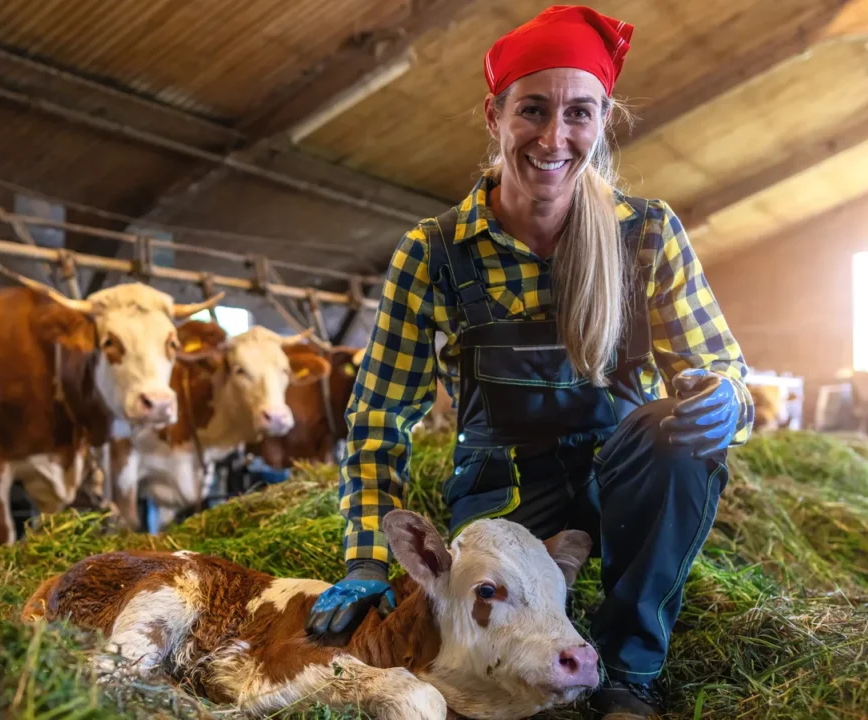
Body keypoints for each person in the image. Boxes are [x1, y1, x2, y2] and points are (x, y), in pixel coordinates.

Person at [304, 5, 755, 719]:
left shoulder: (647, 235)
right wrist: (366, 552)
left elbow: (722, 368)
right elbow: (379, 418)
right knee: (488, 645)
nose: (554, 137)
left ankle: (627, 673)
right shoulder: (437, 251)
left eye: (579, 112)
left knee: (675, 434)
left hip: (623, 493)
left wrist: (726, 399)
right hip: (505, 498)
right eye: (533, 110)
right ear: (495, 115)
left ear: (603, 119)